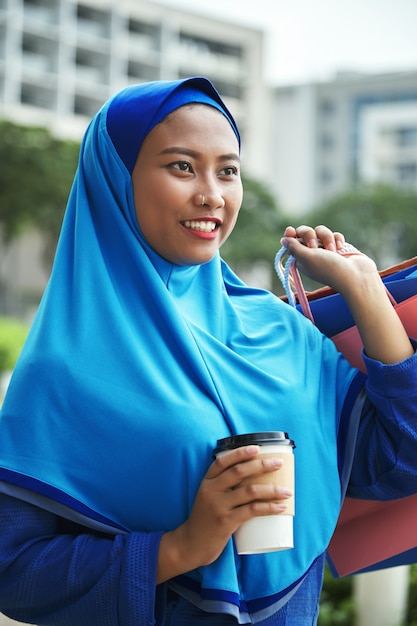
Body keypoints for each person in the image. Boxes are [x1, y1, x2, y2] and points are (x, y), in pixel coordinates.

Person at [0, 76, 416, 626]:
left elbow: (398, 459)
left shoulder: (280, 331)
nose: (212, 195)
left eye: (228, 170)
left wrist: (365, 290)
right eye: (181, 166)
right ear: (117, 180)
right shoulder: (64, 368)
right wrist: (179, 548)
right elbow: (15, 571)